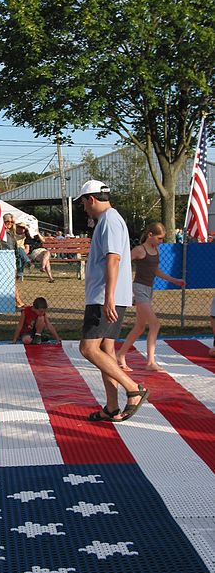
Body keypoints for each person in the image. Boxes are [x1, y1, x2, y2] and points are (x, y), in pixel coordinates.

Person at [76, 180, 149, 423]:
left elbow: (114, 259)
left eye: (83, 203)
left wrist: (108, 297)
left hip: (104, 297)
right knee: (105, 349)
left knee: (88, 348)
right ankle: (111, 407)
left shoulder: (108, 220)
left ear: (91, 199)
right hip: (109, 296)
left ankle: (132, 389)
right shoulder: (111, 219)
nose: (84, 208)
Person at [116, 222, 185, 372]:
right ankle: (150, 362)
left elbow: (156, 271)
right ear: (150, 235)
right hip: (139, 289)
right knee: (155, 324)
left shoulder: (155, 251)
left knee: (140, 327)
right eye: (159, 238)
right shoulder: (139, 250)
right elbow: (122, 266)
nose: (161, 242)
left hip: (148, 289)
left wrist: (174, 280)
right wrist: (128, 290)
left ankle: (120, 354)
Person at [3, 213, 25, 308]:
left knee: (12, 281)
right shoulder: (2, 233)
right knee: (10, 282)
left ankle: (16, 300)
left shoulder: (12, 233)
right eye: (7, 221)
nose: (10, 223)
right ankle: (18, 300)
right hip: (4, 259)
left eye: (12, 222)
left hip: (12, 259)